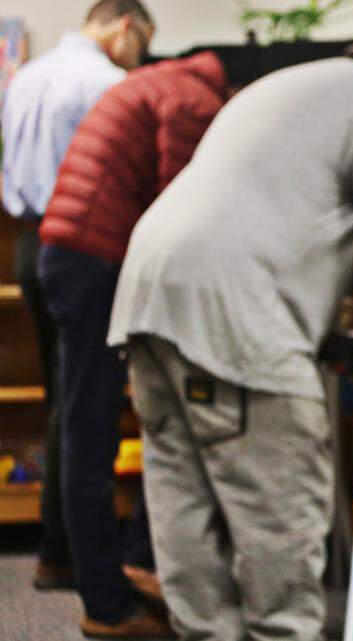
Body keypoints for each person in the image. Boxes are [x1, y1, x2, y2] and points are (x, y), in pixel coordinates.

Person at [106, 39, 353, 640]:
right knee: (279, 502)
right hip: (232, 311)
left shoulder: (292, 82)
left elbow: (277, 204)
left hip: (149, 291)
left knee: (181, 494)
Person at [36, 46, 256, 638]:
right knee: (94, 433)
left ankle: (130, 569)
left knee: (96, 424)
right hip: (96, 263)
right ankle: (106, 606)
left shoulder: (163, 81)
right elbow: (184, 210)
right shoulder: (194, 101)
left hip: (72, 253)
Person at [0, 0, 152, 598]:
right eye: (141, 44)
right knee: (88, 405)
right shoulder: (109, 84)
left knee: (62, 400)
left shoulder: (24, 78)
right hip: (87, 248)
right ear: (124, 27)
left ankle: (56, 549)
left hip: (28, 246)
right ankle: (83, 564)